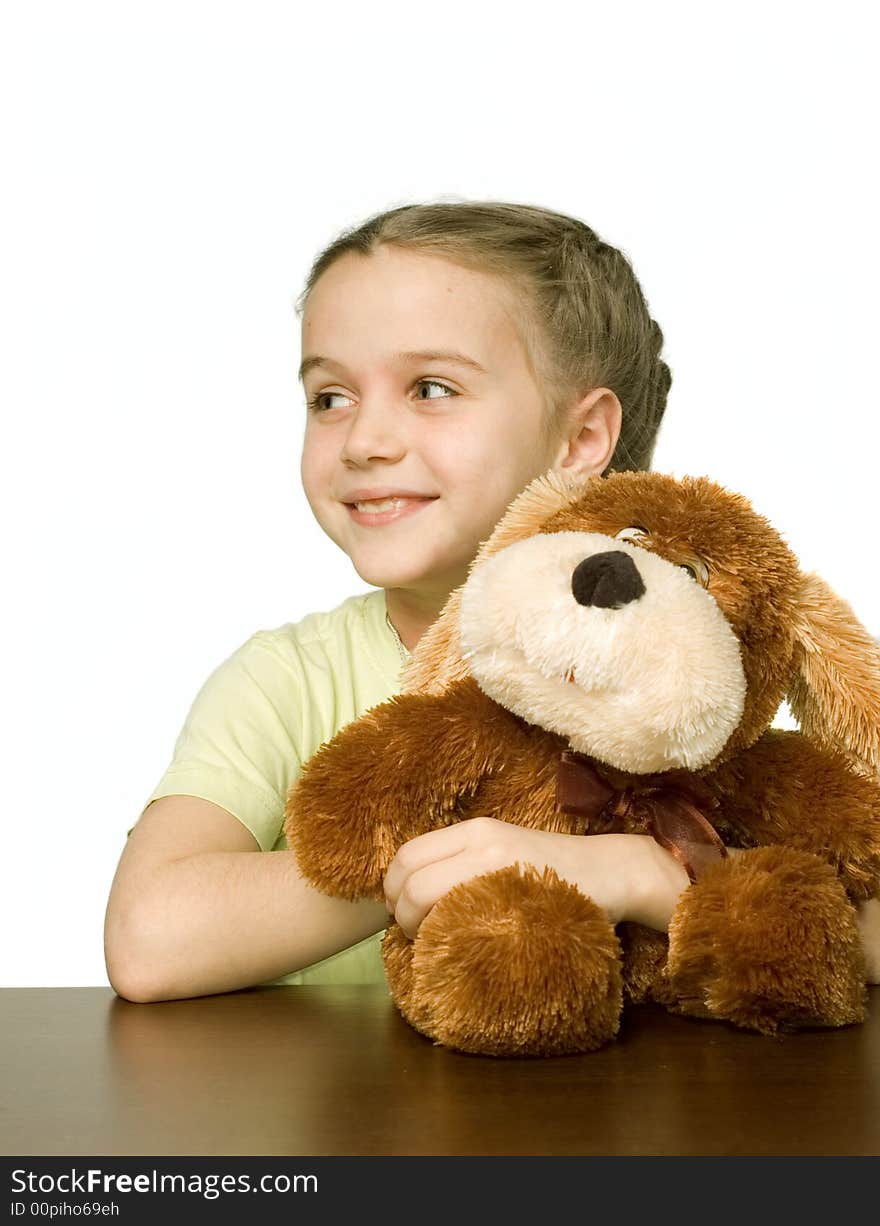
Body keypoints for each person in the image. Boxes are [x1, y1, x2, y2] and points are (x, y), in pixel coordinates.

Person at [101, 199, 721, 1002]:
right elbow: (149, 941)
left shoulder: (684, 663)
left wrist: (645, 877)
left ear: (581, 440)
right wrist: (456, 856)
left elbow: (863, 929)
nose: (362, 441)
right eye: (330, 398)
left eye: (430, 388)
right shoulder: (285, 681)